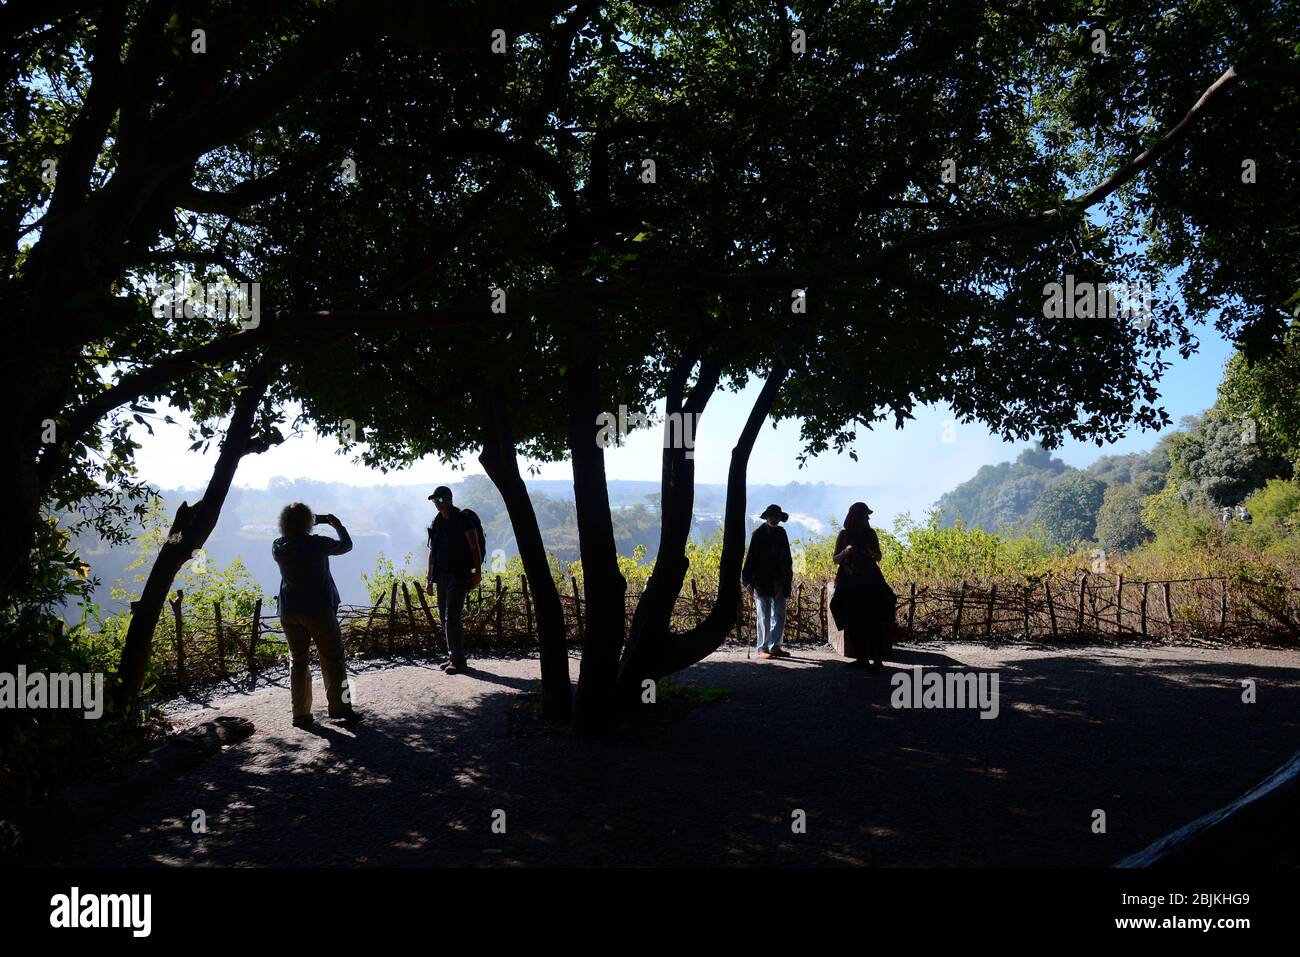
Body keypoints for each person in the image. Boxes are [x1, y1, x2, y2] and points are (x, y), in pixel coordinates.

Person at [271, 503, 362, 727]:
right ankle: (341, 709)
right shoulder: (317, 543)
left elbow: (291, 535)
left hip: (289, 610)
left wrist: (309, 522)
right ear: (307, 523)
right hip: (318, 608)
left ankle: (300, 714)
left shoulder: (278, 547)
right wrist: (337, 525)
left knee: (298, 661)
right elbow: (346, 546)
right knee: (333, 659)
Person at [830, 502, 896, 670]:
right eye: (864, 515)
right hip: (850, 582)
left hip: (870, 581)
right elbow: (836, 559)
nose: (867, 518)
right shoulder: (843, 536)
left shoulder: (871, 534)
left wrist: (869, 553)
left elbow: (878, 557)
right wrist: (847, 551)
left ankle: (877, 660)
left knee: (874, 618)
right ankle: (862, 658)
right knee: (854, 619)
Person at [425, 486, 483, 674]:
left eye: (440, 500)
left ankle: (458, 661)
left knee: (452, 617)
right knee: (444, 617)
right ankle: (453, 656)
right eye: (435, 501)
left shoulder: (463, 519)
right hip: (441, 576)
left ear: (449, 499)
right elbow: (432, 551)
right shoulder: (437, 521)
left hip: (459, 575)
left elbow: (474, 548)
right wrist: (429, 578)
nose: (437, 504)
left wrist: (477, 573)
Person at [742, 503, 794, 659]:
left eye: (776, 517)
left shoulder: (782, 533)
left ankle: (775, 646)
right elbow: (751, 558)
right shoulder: (758, 534)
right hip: (762, 580)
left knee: (780, 614)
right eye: (771, 516)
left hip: (779, 579)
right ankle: (762, 648)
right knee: (764, 615)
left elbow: (787, 558)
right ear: (767, 517)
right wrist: (747, 580)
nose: (774, 519)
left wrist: (788, 578)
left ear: (779, 518)